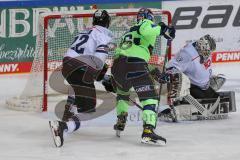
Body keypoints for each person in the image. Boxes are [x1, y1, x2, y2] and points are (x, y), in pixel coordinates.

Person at [49, 9, 113, 147]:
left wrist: (102, 76)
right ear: (107, 22)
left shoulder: (84, 31)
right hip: (81, 68)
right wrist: (104, 78)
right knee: (88, 110)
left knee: (77, 83)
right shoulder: (104, 35)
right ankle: (63, 126)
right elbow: (97, 62)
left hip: (67, 65)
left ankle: (69, 109)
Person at [111, 8, 175, 145]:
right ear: (148, 17)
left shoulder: (128, 32)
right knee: (150, 98)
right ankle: (148, 131)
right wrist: (163, 30)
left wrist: (154, 72)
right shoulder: (145, 23)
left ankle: (121, 120)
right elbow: (145, 29)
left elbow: (132, 56)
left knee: (123, 94)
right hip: (135, 65)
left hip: (117, 67)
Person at [165, 34, 219, 99]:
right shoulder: (187, 53)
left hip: (205, 85)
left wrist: (209, 76)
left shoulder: (203, 49)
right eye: (207, 51)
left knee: (216, 97)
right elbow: (173, 66)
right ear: (201, 47)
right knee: (206, 99)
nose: (208, 54)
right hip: (193, 87)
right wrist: (169, 73)